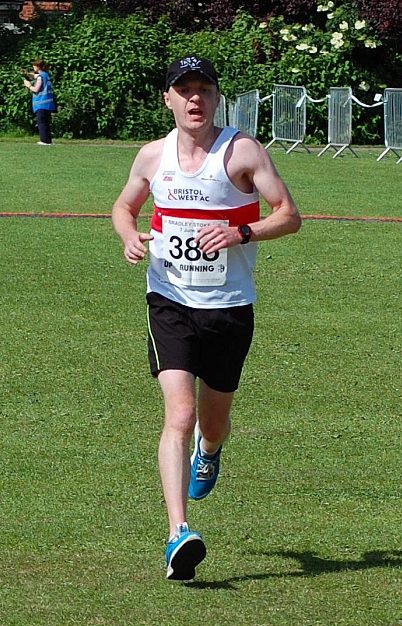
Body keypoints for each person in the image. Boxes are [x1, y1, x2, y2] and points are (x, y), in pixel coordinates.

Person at [112, 54, 301, 581]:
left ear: (217, 98)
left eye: (204, 89)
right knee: (179, 414)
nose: (194, 99)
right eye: (184, 90)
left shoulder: (241, 151)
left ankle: (210, 451)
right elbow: (123, 207)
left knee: (212, 422)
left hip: (228, 308)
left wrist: (241, 233)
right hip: (169, 300)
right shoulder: (152, 156)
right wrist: (129, 235)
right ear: (167, 99)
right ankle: (179, 532)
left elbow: (289, 215)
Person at [23, 59, 55, 145]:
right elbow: (35, 76)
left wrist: (28, 85)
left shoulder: (40, 77)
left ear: (37, 66)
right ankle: (48, 140)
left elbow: (36, 89)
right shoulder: (46, 75)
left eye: (34, 66)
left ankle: (44, 140)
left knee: (41, 123)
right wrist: (27, 74)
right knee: (46, 123)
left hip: (41, 103)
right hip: (48, 104)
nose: (33, 67)